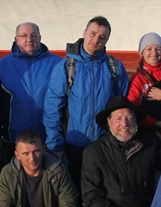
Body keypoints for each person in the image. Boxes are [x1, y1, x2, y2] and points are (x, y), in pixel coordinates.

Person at [44, 16, 129, 189]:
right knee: (73, 196)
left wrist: (120, 143)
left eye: (102, 37)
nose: (96, 40)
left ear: (107, 40)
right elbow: (52, 109)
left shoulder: (115, 68)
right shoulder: (66, 67)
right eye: (93, 33)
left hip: (105, 147)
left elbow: (123, 108)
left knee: (103, 195)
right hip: (73, 147)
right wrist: (55, 146)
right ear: (84, 33)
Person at [0, 22, 61, 175]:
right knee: (12, 181)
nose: (29, 39)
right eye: (24, 36)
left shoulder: (57, 63)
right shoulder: (3, 65)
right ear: (16, 39)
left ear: (40, 37)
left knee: (48, 181)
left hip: (47, 138)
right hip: (12, 140)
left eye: (34, 35)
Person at [126, 32, 161, 142]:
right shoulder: (138, 79)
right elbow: (132, 107)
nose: (154, 53)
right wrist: (156, 123)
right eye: (149, 49)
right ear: (142, 53)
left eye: (158, 49)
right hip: (151, 134)